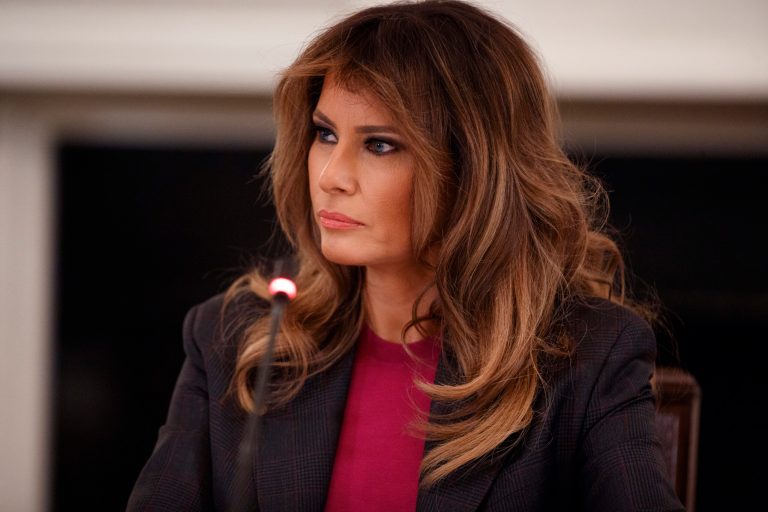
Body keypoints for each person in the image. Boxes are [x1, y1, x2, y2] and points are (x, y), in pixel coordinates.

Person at [127, 1, 684, 510]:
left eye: (379, 144)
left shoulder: (589, 358)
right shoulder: (235, 339)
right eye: (324, 134)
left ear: (474, 172)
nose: (329, 176)